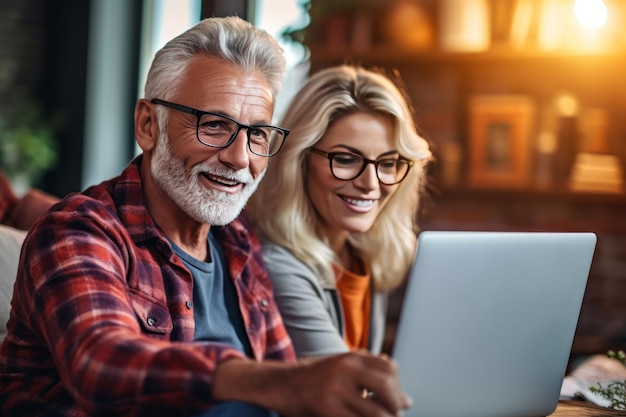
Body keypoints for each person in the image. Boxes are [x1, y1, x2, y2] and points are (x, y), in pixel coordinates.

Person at [0, 17, 411, 417]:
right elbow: (101, 363)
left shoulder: (239, 243)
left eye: (257, 134)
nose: (240, 158)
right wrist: (270, 384)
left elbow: (286, 375)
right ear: (148, 125)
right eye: (214, 125)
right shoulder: (77, 231)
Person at [248, 65, 432, 358]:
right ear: (300, 161)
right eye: (346, 159)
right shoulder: (278, 266)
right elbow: (345, 389)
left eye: (387, 163)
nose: (370, 184)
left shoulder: (365, 257)